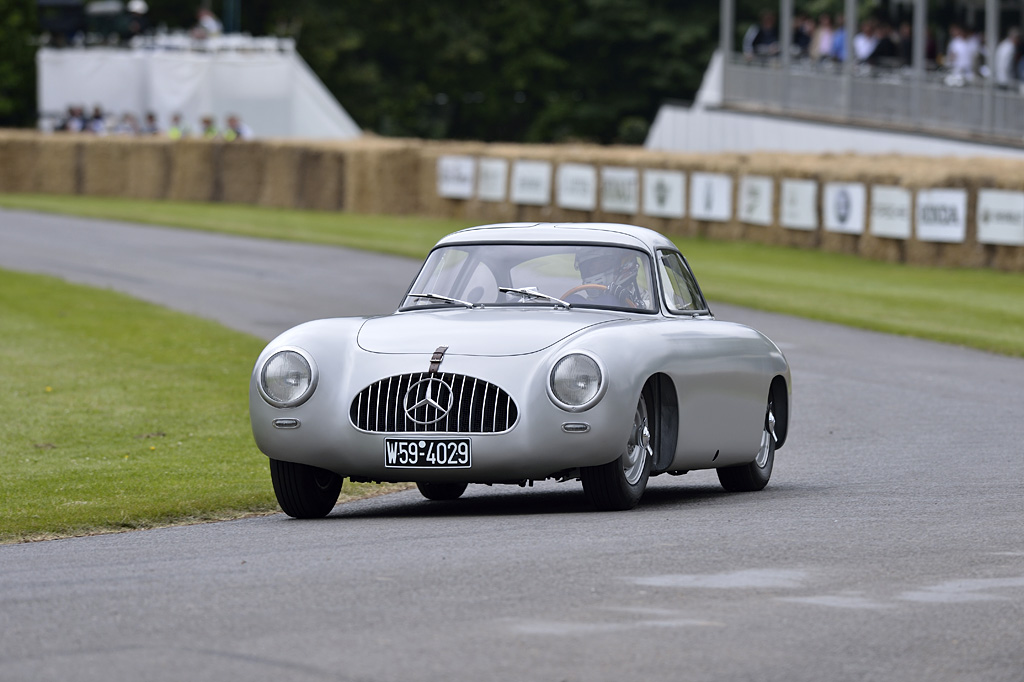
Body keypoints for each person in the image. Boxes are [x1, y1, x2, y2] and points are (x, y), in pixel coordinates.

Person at [566, 248, 649, 309]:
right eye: (588, 268)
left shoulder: (648, 299)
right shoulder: (585, 303)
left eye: (601, 265)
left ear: (623, 265)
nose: (592, 271)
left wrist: (634, 304)